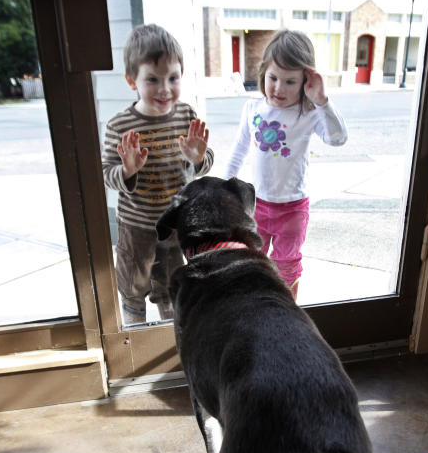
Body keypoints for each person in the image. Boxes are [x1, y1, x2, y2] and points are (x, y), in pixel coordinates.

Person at [101, 24, 213, 325]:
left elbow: (205, 161)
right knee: (133, 286)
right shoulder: (120, 125)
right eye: (152, 79)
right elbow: (106, 172)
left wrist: (197, 157)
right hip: (138, 226)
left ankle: (169, 340)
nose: (165, 89)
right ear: (131, 80)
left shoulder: (186, 114)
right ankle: (135, 338)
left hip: (176, 224)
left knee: (174, 286)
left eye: (172, 78)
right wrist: (127, 170)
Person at [225, 30, 348, 300]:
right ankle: (256, 308)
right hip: (255, 205)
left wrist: (323, 101)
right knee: (251, 262)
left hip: (292, 210)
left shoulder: (310, 112)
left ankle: (287, 313)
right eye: (273, 78)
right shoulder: (253, 108)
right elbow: (239, 150)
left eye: (290, 81)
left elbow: (338, 138)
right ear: (262, 74)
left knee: (287, 267)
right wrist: (225, 186)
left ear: (306, 81)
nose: (279, 88)